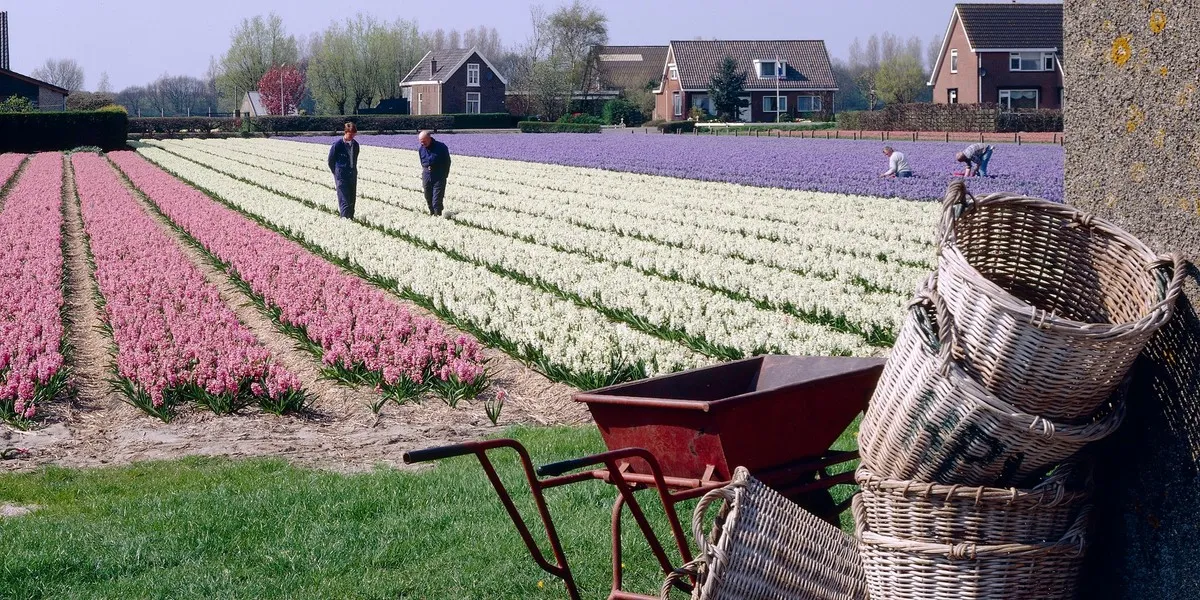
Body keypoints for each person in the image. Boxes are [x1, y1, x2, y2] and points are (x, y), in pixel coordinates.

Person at [327, 122, 360, 219]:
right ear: (345, 132)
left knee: (351, 200)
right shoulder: (337, 145)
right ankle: (345, 220)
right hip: (341, 176)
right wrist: (337, 172)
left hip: (352, 175)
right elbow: (330, 161)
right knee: (344, 200)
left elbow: (355, 159)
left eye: (354, 134)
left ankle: (351, 218)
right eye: (350, 134)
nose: (352, 136)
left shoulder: (356, 145)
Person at [418, 130, 452, 216]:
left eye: (424, 141)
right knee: (428, 196)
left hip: (439, 174)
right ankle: (432, 213)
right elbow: (422, 161)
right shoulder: (421, 149)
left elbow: (447, 161)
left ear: (429, 138)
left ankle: (438, 215)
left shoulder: (441, 147)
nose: (422, 143)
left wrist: (444, 175)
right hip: (426, 174)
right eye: (421, 142)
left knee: (437, 198)